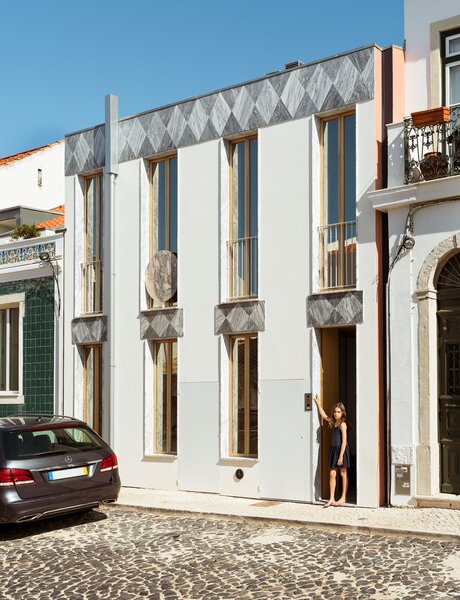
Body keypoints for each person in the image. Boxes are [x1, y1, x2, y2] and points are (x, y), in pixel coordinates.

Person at [313, 394, 351, 508]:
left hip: (341, 450)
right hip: (334, 450)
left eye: (338, 412)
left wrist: (340, 457)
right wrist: (317, 403)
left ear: (342, 413)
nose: (336, 413)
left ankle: (343, 497)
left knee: (343, 473)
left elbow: (344, 441)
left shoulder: (342, 424)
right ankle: (331, 498)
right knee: (332, 474)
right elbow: (323, 415)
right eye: (335, 411)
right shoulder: (332, 422)